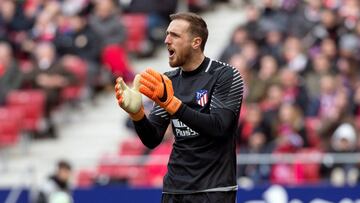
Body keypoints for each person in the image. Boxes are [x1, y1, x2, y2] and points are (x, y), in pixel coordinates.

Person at [115, 12, 244, 202]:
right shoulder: (169, 81)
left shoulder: (225, 75)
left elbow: (220, 127)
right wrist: (137, 114)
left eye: (175, 35)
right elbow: (152, 138)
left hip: (214, 190)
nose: (167, 40)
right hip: (174, 190)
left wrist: (173, 104)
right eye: (167, 34)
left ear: (196, 42)